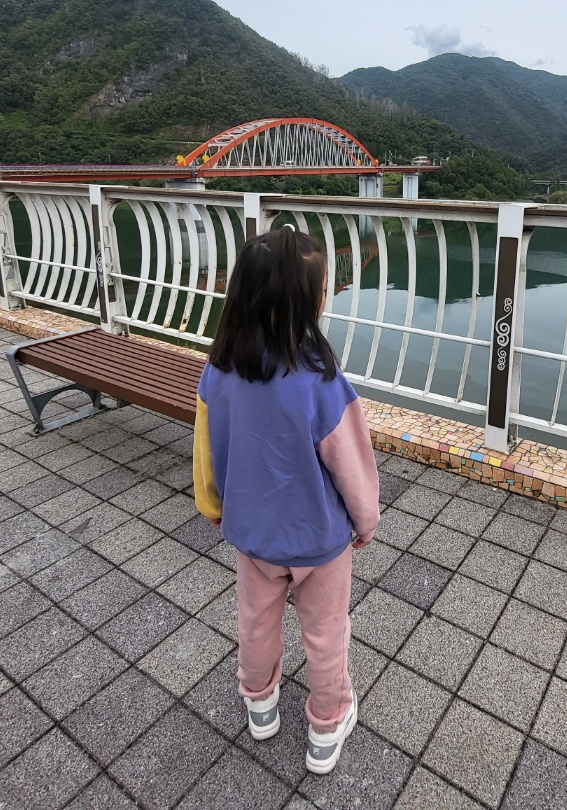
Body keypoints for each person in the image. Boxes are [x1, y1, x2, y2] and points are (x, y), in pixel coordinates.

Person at [192, 226, 379, 774]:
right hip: (319, 540)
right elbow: (350, 463)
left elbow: (207, 452)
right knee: (324, 633)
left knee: (255, 621)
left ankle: (260, 704)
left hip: (252, 533)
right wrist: (365, 520)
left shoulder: (218, 373)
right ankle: (327, 725)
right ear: (307, 302)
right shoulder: (320, 382)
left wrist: (214, 507)